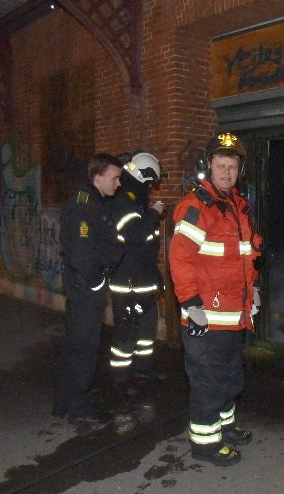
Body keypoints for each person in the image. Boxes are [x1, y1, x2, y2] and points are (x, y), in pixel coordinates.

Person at [168, 132, 262, 467]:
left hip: (233, 316)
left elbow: (245, 257)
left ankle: (225, 427)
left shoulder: (237, 207)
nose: (226, 172)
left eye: (232, 166)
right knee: (208, 382)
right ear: (208, 168)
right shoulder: (198, 206)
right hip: (205, 316)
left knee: (230, 376)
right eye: (220, 166)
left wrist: (254, 291)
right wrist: (191, 304)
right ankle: (205, 443)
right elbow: (179, 258)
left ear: (240, 171)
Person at [53, 153, 123, 427]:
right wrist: (95, 281)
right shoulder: (85, 207)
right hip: (86, 288)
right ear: (97, 178)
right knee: (84, 347)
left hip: (83, 286)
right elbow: (81, 255)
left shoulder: (93, 202)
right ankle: (78, 406)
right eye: (114, 178)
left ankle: (65, 401)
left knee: (76, 345)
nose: (118, 184)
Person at [108, 152, 166, 396]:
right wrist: (154, 213)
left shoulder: (137, 201)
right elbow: (136, 236)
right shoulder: (124, 202)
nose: (150, 188)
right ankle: (121, 379)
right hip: (128, 284)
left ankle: (143, 368)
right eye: (149, 183)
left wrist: (155, 277)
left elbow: (147, 248)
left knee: (146, 329)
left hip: (143, 281)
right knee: (127, 332)